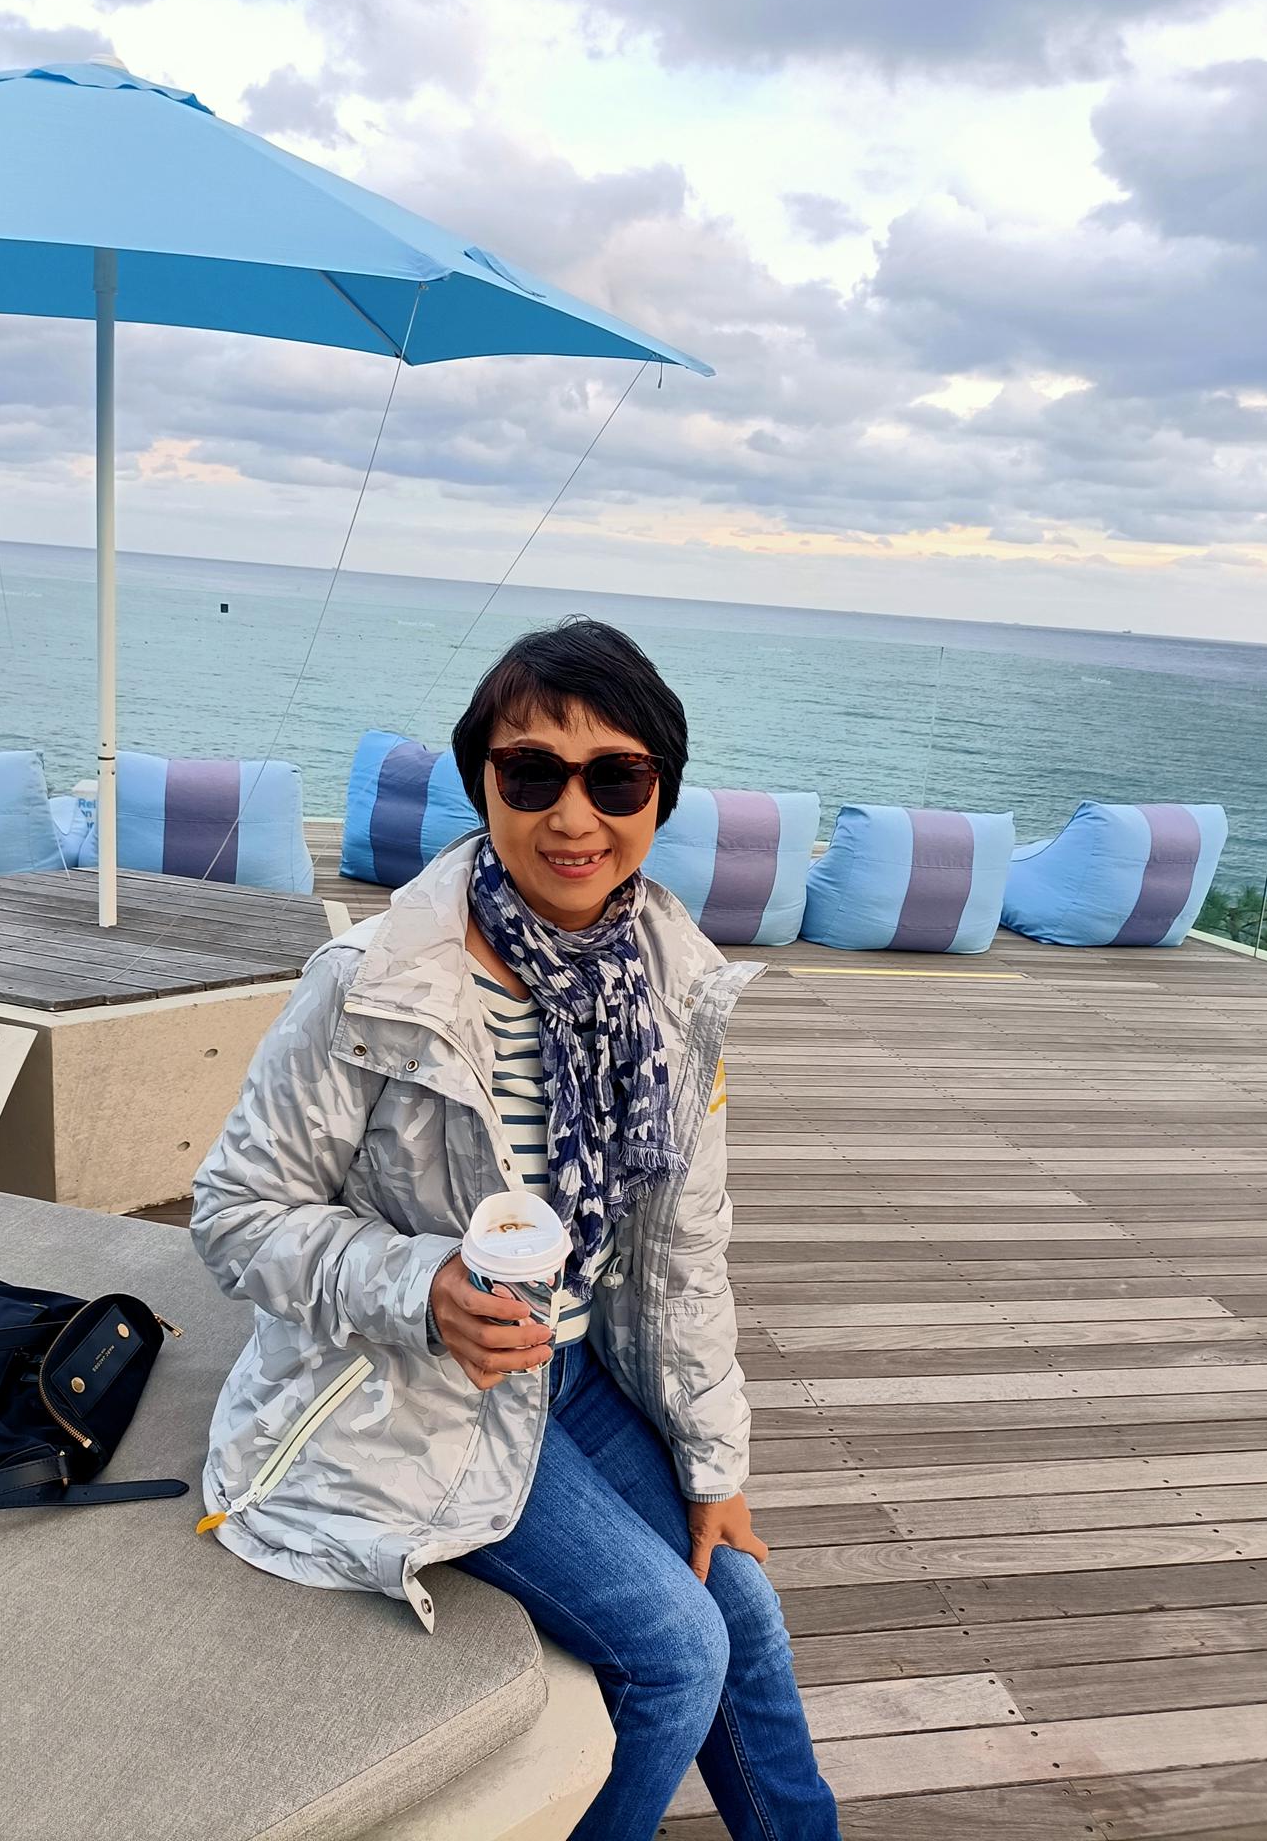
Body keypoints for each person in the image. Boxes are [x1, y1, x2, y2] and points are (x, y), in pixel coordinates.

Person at [191, 617, 840, 1841]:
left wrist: (716, 1467)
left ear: (662, 791)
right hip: (414, 1391)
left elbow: (684, 1257)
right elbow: (234, 1213)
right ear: (482, 782)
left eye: (617, 777)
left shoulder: (671, 990)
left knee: (744, 1604)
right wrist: (422, 1284)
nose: (574, 816)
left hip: (579, 1371)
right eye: (532, 772)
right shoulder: (374, 983)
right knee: (676, 1652)